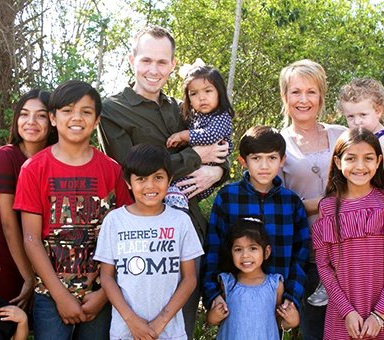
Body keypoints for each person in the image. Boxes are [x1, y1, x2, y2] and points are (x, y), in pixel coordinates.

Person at [97, 25, 229, 338]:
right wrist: (197, 156)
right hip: (138, 238)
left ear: (172, 65)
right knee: (136, 326)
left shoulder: (181, 108)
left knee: (178, 327)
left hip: (187, 230)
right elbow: (133, 171)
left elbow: (218, 150)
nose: (153, 70)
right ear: (131, 60)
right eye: (146, 61)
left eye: (161, 62)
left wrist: (220, 171)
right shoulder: (112, 109)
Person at [14, 80, 133, 340]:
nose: (76, 117)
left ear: (97, 120)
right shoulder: (34, 169)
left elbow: (124, 238)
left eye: (86, 111)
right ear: (54, 118)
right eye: (67, 110)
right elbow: (31, 238)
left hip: (100, 291)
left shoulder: (112, 170)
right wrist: (60, 296)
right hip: (50, 293)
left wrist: (104, 294)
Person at [202, 126, 308, 330]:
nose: (264, 166)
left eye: (272, 158)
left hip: (276, 301)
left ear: (282, 160)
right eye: (256, 158)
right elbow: (213, 248)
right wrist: (213, 295)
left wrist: (291, 297)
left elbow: (300, 254)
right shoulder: (228, 197)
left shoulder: (291, 202)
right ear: (243, 161)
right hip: (233, 300)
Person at [95, 144, 203, 340]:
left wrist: (161, 320)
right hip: (126, 332)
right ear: (128, 182)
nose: (150, 186)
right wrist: (131, 321)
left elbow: (189, 279)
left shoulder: (180, 221)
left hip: (170, 331)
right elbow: (107, 277)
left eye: (158, 177)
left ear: (169, 180)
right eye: (141, 179)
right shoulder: (115, 221)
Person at [313, 128, 384, 339]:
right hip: (343, 316)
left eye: (368, 158)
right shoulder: (328, 208)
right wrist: (346, 311)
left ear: (378, 161)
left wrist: (380, 314)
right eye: (351, 158)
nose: (360, 166)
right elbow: (324, 266)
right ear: (338, 162)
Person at [278, 59, 346, 340]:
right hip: (309, 254)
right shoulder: (277, 143)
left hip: (351, 247)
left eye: (311, 92)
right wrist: (325, 202)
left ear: (321, 95)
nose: (303, 100)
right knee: (316, 330)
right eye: (296, 92)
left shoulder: (342, 134)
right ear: (285, 96)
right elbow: (279, 204)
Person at [0, 89, 58, 309]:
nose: (31, 122)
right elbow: (8, 223)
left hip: (50, 258)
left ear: (52, 120)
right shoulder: (7, 156)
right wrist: (28, 276)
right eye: (24, 114)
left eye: (40, 115)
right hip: (10, 257)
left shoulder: (58, 159)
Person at [206, 217, 299, 340]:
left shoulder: (275, 285)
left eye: (253, 248)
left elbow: (278, 321)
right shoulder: (227, 283)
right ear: (231, 252)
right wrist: (214, 316)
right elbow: (213, 320)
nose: (245, 255)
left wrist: (293, 320)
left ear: (266, 252)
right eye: (238, 249)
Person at [164, 65, 235, 210]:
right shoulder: (195, 117)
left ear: (219, 93)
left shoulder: (221, 116)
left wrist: (184, 136)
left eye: (208, 91)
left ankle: (176, 207)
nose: (202, 98)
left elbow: (211, 135)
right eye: (194, 94)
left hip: (206, 171)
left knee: (178, 190)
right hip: (195, 166)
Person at [336, 77, 384, 179]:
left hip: (374, 192)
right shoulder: (356, 136)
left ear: (378, 111)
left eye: (363, 115)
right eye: (350, 116)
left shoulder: (382, 139)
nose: (357, 122)